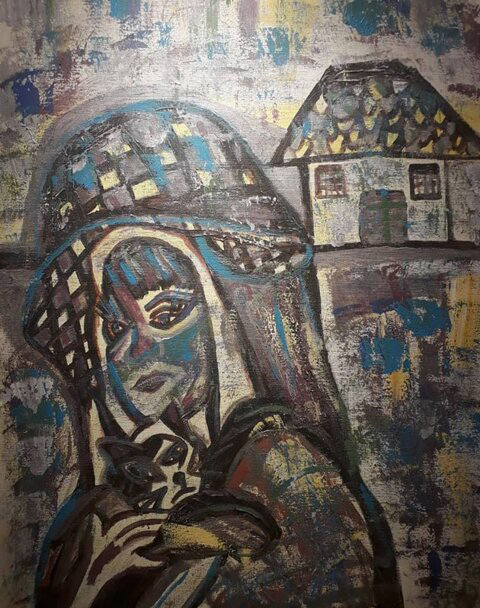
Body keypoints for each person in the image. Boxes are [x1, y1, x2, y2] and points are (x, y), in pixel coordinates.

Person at [24, 101, 403, 607]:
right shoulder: (95, 518)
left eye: (167, 313)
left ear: (226, 317)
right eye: (112, 328)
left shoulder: (288, 474)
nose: (133, 350)